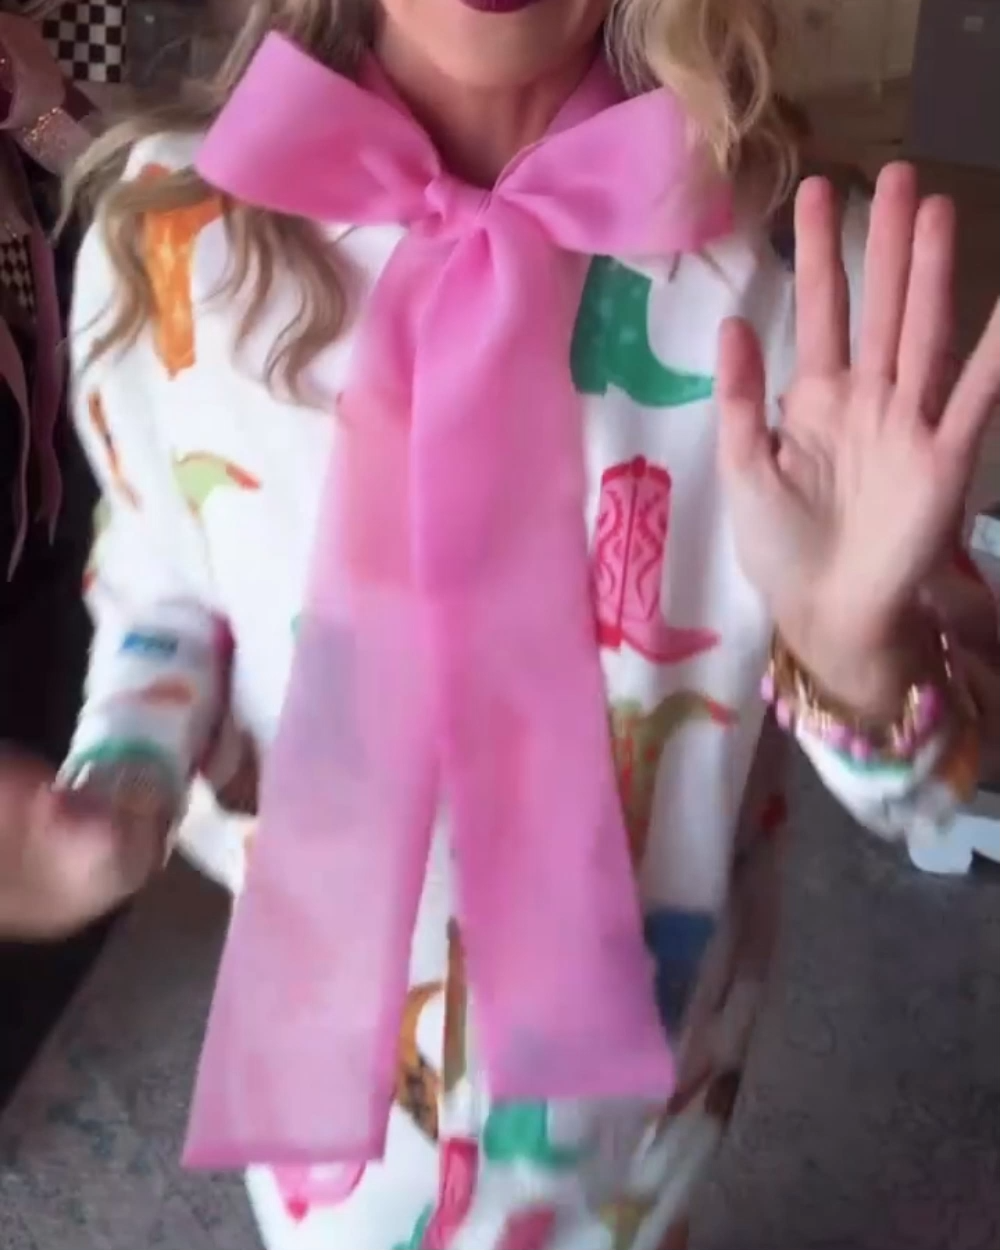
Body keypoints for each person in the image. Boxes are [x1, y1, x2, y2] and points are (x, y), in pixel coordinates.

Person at [2, 0, 1000, 1245]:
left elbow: (932, 788)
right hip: (332, 1115)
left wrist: (860, 658)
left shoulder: (806, 282)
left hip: (645, 1109)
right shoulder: (176, 230)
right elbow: (163, 598)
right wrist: (116, 791)